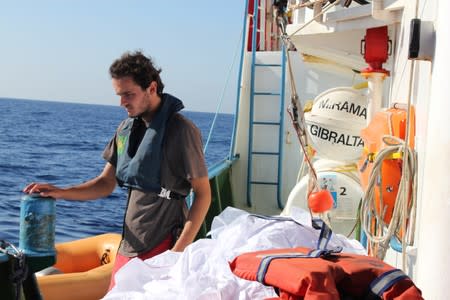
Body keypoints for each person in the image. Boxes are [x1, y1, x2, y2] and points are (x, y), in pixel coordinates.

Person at [23, 50, 211, 290]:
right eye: (119, 95)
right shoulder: (126, 128)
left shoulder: (182, 130)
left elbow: (203, 194)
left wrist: (176, 254)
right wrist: (60, 192)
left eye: (129, 94)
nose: (122, 102)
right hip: (128, 248)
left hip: (162, 248)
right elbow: (105, 183)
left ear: (152, 88)